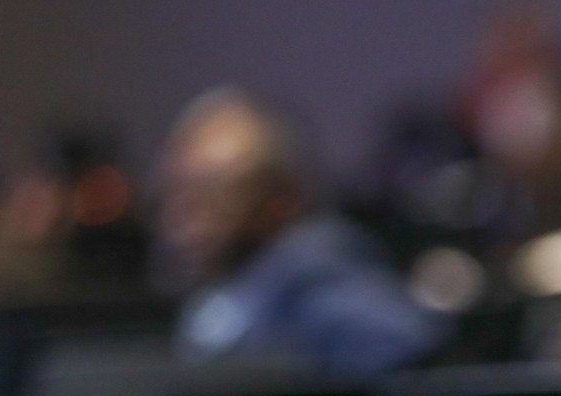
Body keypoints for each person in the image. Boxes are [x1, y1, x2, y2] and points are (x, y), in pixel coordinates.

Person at [159, 89, 445, 378]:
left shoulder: (317, 277)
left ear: (283, 199)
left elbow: (403, 340)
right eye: (178, 191)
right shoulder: (229, 290)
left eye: (215, 191)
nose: (188, 216)